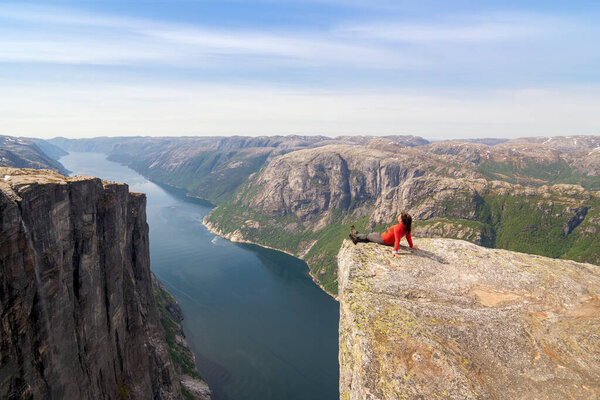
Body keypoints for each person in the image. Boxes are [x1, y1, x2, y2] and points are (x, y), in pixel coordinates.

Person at [349, 212, 418, 258]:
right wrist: (411, 246)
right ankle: (356, 240)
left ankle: (355, 233)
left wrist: (395, 251)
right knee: (373, 235)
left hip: (384, 240)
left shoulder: (398, 227)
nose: (398, 216)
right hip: (385, 237)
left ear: (401, 220)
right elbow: (408, 237)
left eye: (399, 216)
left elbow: (397, 240)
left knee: (368, 236)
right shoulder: (409, 226)